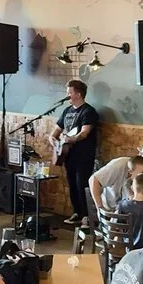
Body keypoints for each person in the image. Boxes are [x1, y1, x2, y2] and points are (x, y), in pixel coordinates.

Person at [53, 79, 102, 220]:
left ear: (79, 94)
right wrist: (53, 140)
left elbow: (84, 132)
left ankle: (86, 216)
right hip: (68, 154)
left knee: (82, 183)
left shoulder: (88, 111)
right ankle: (77, 213)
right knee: (72, 183)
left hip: (84, 155)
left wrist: (72, 139)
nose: (67, 95)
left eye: (70, 92)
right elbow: (56, 130)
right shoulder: (67, 111)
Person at [88, 145, 143, 213]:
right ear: (140, 156)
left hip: (130, 212)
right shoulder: (119, 165)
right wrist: (100, 208)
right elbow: (93, 180)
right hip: (110, 210)